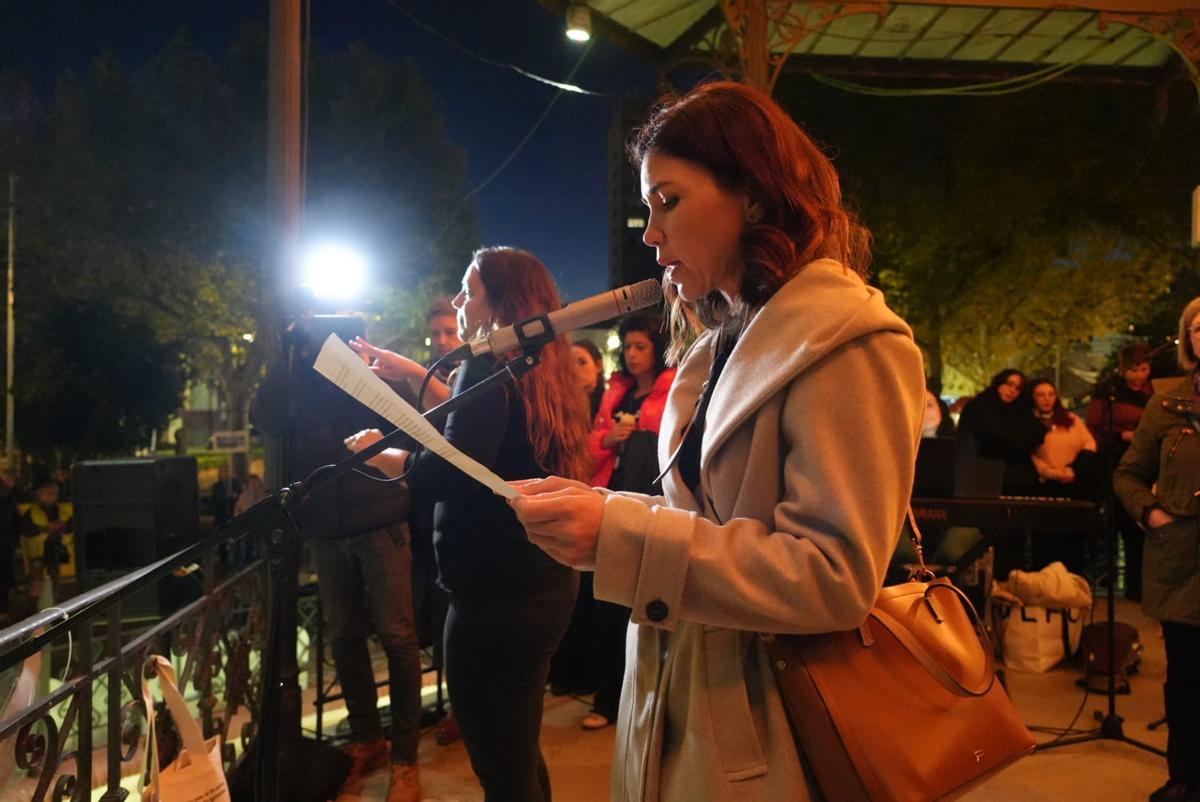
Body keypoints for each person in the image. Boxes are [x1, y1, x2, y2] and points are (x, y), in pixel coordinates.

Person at [510, 81, 925, 801]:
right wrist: (605, 508)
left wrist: (622, 537)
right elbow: (710, 519)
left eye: (668, 200)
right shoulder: (719, 345)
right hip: (688, 705)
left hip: (775, 735)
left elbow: (834, 575)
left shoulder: (850, 341)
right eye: (646, 207)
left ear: (756, 196)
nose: (649, 232)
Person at [347, 246, 591, 802]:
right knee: (519, 750)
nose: (458, 301)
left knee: (503, 770)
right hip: (542, 584)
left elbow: (448, 474)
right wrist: (414, 376)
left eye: (468, 291)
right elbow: (486, 435)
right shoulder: (541, 362)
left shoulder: (485, 364)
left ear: (499, 303)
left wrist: (385, 459)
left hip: (493, 600)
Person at [250, 322, 423, 802]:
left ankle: (406, 759)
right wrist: (286, 358)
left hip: (381, 520)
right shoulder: (297, 377)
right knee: (343, 636)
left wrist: (364, 366)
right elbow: (264, 418)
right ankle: (368, 739)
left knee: (398, 636)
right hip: (325, 526)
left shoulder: (369, 374)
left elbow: (415, 428)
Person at [1113, 298, 1200, 802]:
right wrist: (1151, 512)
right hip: (1182, 564)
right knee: (1186, 681)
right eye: (1195, 329)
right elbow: (1128, 473)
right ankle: (1184, 780)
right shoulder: (1166, 405)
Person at [581, 312, 676, 730]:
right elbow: (590, 446)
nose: (634, 355)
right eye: (629, 347)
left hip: (651, 500)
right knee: (607, 601)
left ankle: (635, 700)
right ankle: (607, 696)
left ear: (656, 348)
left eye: (642, 346)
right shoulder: (615, 392)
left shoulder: (672, 386)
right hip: (611, 494)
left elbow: (676, 442)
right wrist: (609, 439)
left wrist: (638, 435)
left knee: (640, 603)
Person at [1087, 341, 1155, 601]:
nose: (1140, 375)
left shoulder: (1153, 392)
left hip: (1148, 464)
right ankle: (1119, 586)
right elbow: (1094, 425)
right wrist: (1121, 434)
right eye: (1134, 369)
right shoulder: (1109, 391)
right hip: (1115, 461)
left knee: (1142, 528)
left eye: (1144, 368)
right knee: (1119, 524)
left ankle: (1140, 587)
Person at [1028, 378, 1097, 573]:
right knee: (1045, 542)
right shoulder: (1028, 423)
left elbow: (1089, 445)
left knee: (1072, 542)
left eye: (1050, 394)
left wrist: (1074, 470)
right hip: (1044, 487)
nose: (1046, 399)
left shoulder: (1071, 420)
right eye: (1040, 395)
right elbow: (1029, 452)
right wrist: (1047, 471)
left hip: (1072, 485)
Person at [956, 369, 1045, 494]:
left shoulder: (1021, 410)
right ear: (999, 382)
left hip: (1017, 477)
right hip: (982, 472)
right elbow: (996, 437)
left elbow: (1036, 434)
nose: (1012, 390)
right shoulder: (979, 406)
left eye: (1018, 388)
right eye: (1009, 384)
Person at [572, 339, 606, 417]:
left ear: (598, 365)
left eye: (582, 362)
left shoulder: (609, 403)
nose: (574, 369)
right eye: (570, 363)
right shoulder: (565, 405)